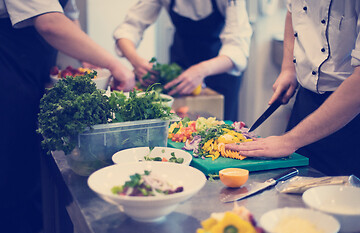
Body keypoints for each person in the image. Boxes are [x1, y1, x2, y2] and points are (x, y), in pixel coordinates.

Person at [0, 1, 135, 233]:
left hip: (31, 69)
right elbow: (50, 23)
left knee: (27, 166)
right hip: (7, 65)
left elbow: (68, 16)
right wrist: (113, 63)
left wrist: (86, 56)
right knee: (10, 172)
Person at [226, 0, 360, 177]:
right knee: (291, 187)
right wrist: (288, 68)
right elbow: (293, 12)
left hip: (351, 122)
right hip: (305, 106)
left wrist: (289, 141)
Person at [114, 0, 252, 121]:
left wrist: (201, 70)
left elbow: (237, 49)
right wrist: (135, 60)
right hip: (180, 64)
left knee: (220, 136)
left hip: (220, 70)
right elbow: (129, 28)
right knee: (177, 128)